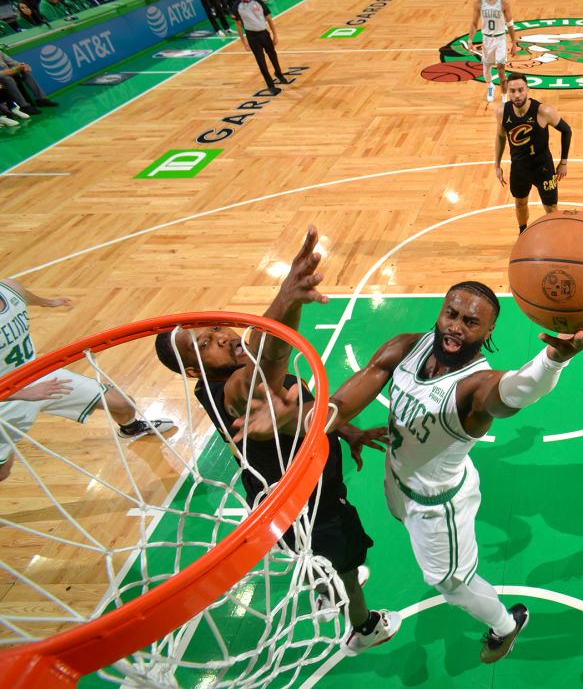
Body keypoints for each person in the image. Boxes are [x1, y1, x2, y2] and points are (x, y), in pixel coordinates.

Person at [319, 281, 583, 663]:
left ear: (488, 331)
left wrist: (553, 360)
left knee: (453, 586)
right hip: (397, 479)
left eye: (471, 322)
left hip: (437, 506)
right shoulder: (407, 346)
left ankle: (506, 627)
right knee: (404, 525)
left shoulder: (474, 386)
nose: (456, 327)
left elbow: (513, 393)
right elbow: (340, 404)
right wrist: (321, 424)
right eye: (451, 314)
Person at [153, 227, 401, 654]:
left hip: (274, 497)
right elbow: (264, 365)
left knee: (309, 551)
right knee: (346, 562)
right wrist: (285, 299)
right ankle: (364, 628)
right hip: (313, 500)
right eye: (206, 344)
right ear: (194, 370)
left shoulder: (241, 377)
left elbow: (307, 408)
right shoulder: (234, 391)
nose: (223, 337)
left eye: (216, 328)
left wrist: (348, 430)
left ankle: (323, 586)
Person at [0, 279, 174, 483]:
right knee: (4, 472)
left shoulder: (9, 287)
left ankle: (131, 428)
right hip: (6, 399)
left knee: (123, 403)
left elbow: (23, 295)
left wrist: (48, 302)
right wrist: (24, 393)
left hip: (38, 375)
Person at [493, 73, 572, 233]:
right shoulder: (502, 112)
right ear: (507, 91)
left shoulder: (543, 111)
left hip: (543, 168)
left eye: (520, 90)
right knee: (520, 203)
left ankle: (554, 239)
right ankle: (523, 233)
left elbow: (567, 130)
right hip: (519, 168)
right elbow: (500, 136)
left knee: (551, 208)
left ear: (528, 89)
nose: (517, 95)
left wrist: (563, 162)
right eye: (512, 91)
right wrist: (497, 165)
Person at [469, 0, 518, 104]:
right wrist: (470, 39)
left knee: (502, 70)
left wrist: (514, 42)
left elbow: (510, 24)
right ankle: (490, 86)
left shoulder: (504, 2)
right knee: (486, 70)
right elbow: (474, 23)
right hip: (486, 40)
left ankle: (504, 99)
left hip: (500, 39)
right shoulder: (479, 2)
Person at [232, 0, 287, 91]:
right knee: (261, 61)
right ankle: (270, 85)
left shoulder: (258, 2)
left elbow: (269, 19)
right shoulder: (236, 6)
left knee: (272, 55)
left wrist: (275, 35)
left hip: (264, 33)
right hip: (252, 37)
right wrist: (244, 42)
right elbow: (238, 26)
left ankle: (279, 73)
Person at [0, 50, 58, 115]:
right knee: (8, 79)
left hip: (8, 72)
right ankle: (24, 106)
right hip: (2, 77)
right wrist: (13, 70)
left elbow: (12, 62)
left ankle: (41, 99)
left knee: (25, 72)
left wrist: (23, 66)